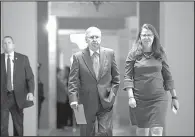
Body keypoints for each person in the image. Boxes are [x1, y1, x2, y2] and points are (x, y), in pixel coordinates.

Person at [123, 24, 179, 136]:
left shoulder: (160, 53)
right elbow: (128, 77)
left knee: (157, 129)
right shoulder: (133, 54)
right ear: (139, 37)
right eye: (144, 35)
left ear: (154, 37)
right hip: (139, 99)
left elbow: (168, 76)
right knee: (142, 131)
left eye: (149, 35)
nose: (147, 37)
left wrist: (174, 97)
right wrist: (130, 97)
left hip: (159, 98)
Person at [68, 26, 120, 136]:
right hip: (82, 103)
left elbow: (116, 79)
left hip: (106, 101)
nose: (95, 39)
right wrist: (73, 99)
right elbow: (72, 81)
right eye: (91, 37)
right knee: (85, 133)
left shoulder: (110, 53)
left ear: (100, 39)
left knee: (106, 132)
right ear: (86, 40)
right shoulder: (77, 57)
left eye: (97, 37)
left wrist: (112, 95)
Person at [1, 36, 35, 136]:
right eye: (4, 43)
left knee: (18, 126)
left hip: (18, 97)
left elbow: (30, 77)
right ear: (2, 46)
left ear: (14, 45)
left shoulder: (23, 58)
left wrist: (30, 92)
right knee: (2, 126)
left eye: (9, 42)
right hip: (3, 98)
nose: (7, 45)